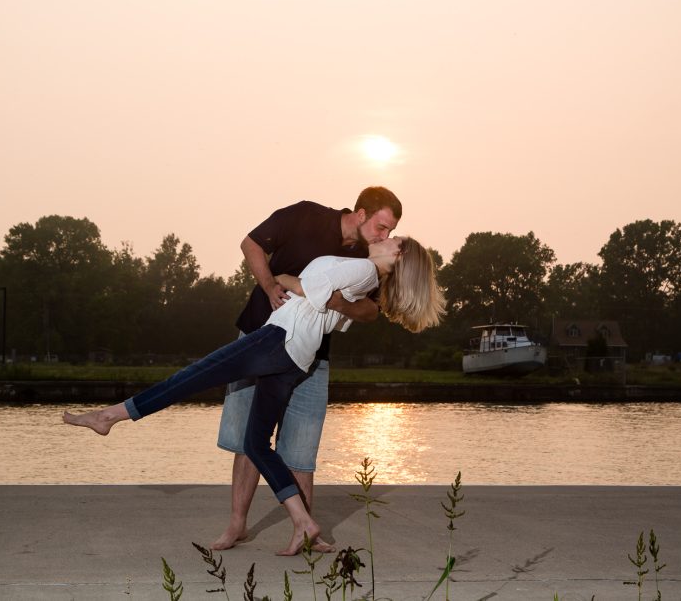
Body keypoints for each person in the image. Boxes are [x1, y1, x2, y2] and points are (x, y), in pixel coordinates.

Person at [63, 235, 445, 556]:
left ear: (397, 255)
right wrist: (301, 287)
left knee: (192, 377)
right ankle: (303, 522)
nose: (386, 237)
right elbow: (337, 317)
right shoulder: (364, 282)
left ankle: (109, 416)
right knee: (256, 443)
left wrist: (282, 277)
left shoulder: (361, 269)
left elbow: (308, 290)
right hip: (298, 358)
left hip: (277, 341)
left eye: (395, 239)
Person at [215, 188, 401, 551]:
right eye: (381, 227)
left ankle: (304, 531)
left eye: (390, 232)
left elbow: (370, 312)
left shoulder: (369, 261)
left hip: (313, 356)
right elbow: (250, 244)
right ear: (361, 213)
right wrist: (269, 285)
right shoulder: (305, 215)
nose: (385, 237)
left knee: (301, 446)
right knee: (248, 439)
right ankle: (237, 525)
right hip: (258, 335)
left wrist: (329, 299)